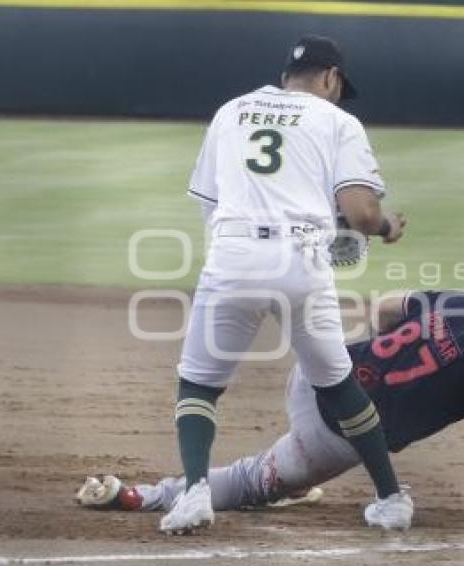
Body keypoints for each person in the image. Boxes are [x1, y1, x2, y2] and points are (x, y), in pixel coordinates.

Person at [162, 35, 409, 534]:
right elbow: (361, 214)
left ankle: (193, 495)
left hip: (232, 254)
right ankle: (391, 499)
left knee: (199, 383)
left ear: (285, 77)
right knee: (337, 383)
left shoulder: (231, 111)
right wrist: (387, 228)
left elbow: (210, 203)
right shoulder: (338, 121)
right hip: (302, 259)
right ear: (330, 79)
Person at [77, 289, 464, 519]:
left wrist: (392, 363)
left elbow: (387, 308)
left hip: (321, 373)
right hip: (332, 434)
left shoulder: (463, 304)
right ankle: (142, 496)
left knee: (300, 448)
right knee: (256, 481)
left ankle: (286, 481)